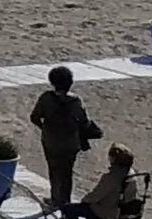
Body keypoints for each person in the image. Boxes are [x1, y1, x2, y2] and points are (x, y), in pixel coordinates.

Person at [27, 66, 101, 211]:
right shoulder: (75, 101)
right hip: (70, 143)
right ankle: (65, 202)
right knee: (67, 173)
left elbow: (34, 117)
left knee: (53, 169)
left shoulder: (46, 98)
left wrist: (46, 129)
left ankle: (55, 198)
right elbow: (84, 122)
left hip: (51, 141)